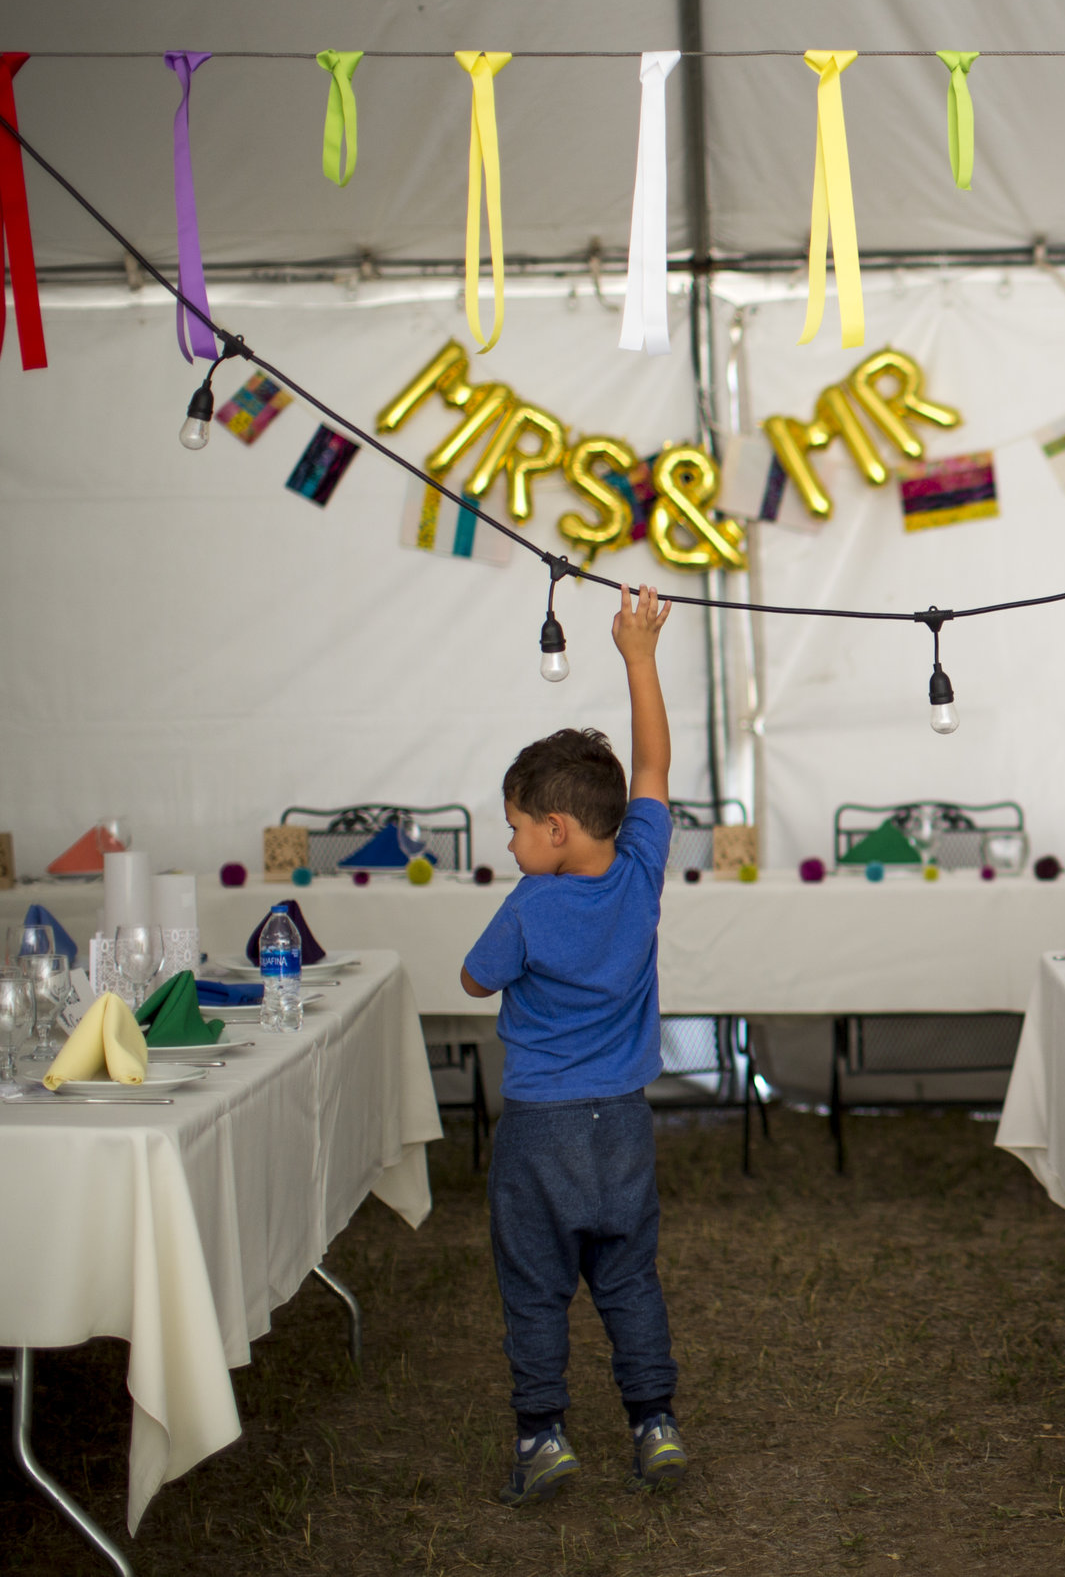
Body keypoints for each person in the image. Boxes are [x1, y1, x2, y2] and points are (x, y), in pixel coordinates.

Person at [460, 585, 689, 1502]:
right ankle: (655, 1422)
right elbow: (653, 771)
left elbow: (475, 979)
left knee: (536, 1286)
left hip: (541, 1131)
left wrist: (512, 955)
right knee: (629, 1279)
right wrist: (640, 655)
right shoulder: (639, 873)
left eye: (515, 826)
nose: (509, 841)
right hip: (623, 1126)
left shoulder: (527, 906)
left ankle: (543, 1436)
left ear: (554, 830)